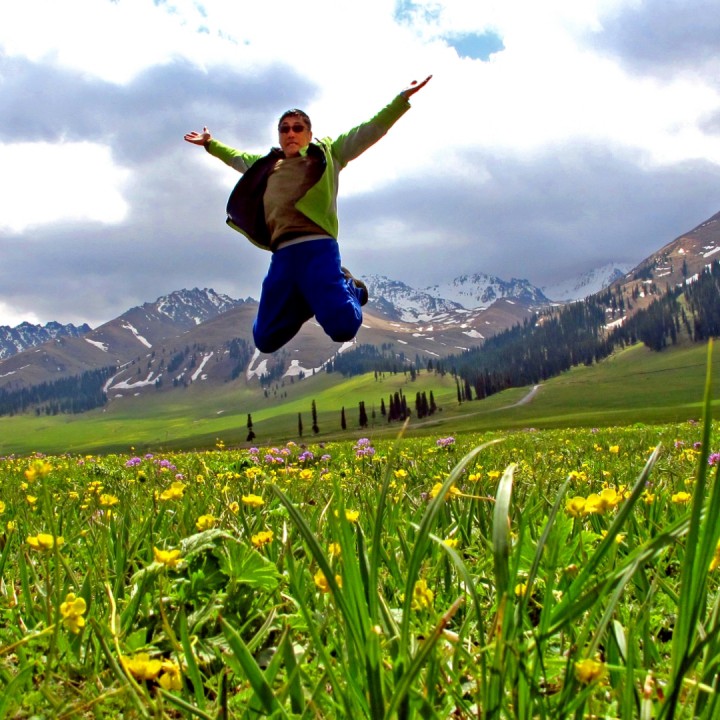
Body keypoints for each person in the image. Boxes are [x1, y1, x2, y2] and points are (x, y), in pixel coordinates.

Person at [184, 75, 432, 354]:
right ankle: (307, 298)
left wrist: (401, 100)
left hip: (318, 250)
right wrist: (210, 143)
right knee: (265, 339)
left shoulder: (329, 153)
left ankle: (350, 286)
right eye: (284, 129)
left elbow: (369, 130)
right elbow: (236, 157)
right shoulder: (266, 166)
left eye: (297, 128)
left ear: (309, 134)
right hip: (283, 256)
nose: (290, 133)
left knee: (343, 328)